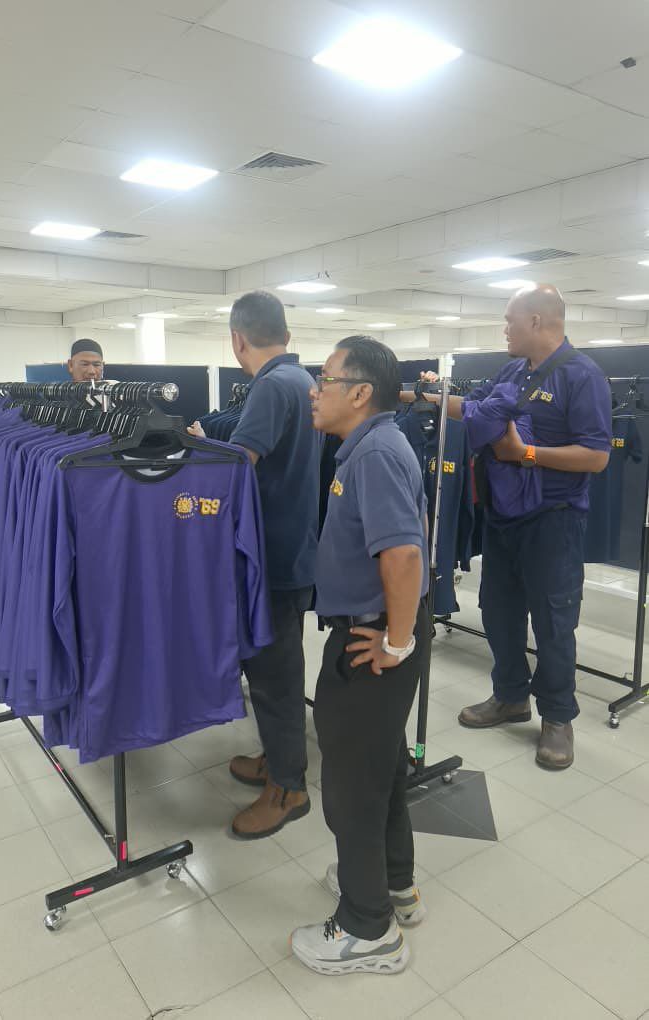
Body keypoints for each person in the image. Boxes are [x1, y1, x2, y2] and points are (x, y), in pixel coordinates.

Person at [405, 284, 611, 769]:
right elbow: (472, 409)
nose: (504, 330)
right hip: (503, 516)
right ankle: (511, 696)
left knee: (553, 621)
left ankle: (557, 718)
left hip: (554, 521)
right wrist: (421, 396)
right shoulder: (512, 372)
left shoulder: (583, 376)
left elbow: (597, 456)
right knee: (499, 611)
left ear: (536, 321)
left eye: (509, 320)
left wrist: (527, 454)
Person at [290, 336, 429, 976]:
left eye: (325, 379)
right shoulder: (368, 447)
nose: (314, 391)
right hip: (376, 630)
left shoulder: (374, 453)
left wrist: (396, 641)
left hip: (373, 639)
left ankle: (367, 928)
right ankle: (393, 885)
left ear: (361, 392)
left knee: (351, 786)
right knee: (381, 770)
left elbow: (402, 554)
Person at [188, 291, 319, 838]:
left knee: (274, 678)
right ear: (285, 334)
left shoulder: (271, 387)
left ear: (237, 340)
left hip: (272, 559)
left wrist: (195, 451)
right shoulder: (303, 380)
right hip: (291, 549)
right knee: (275, 671)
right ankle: (277, 760)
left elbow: (240, 465)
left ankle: (289, 789)